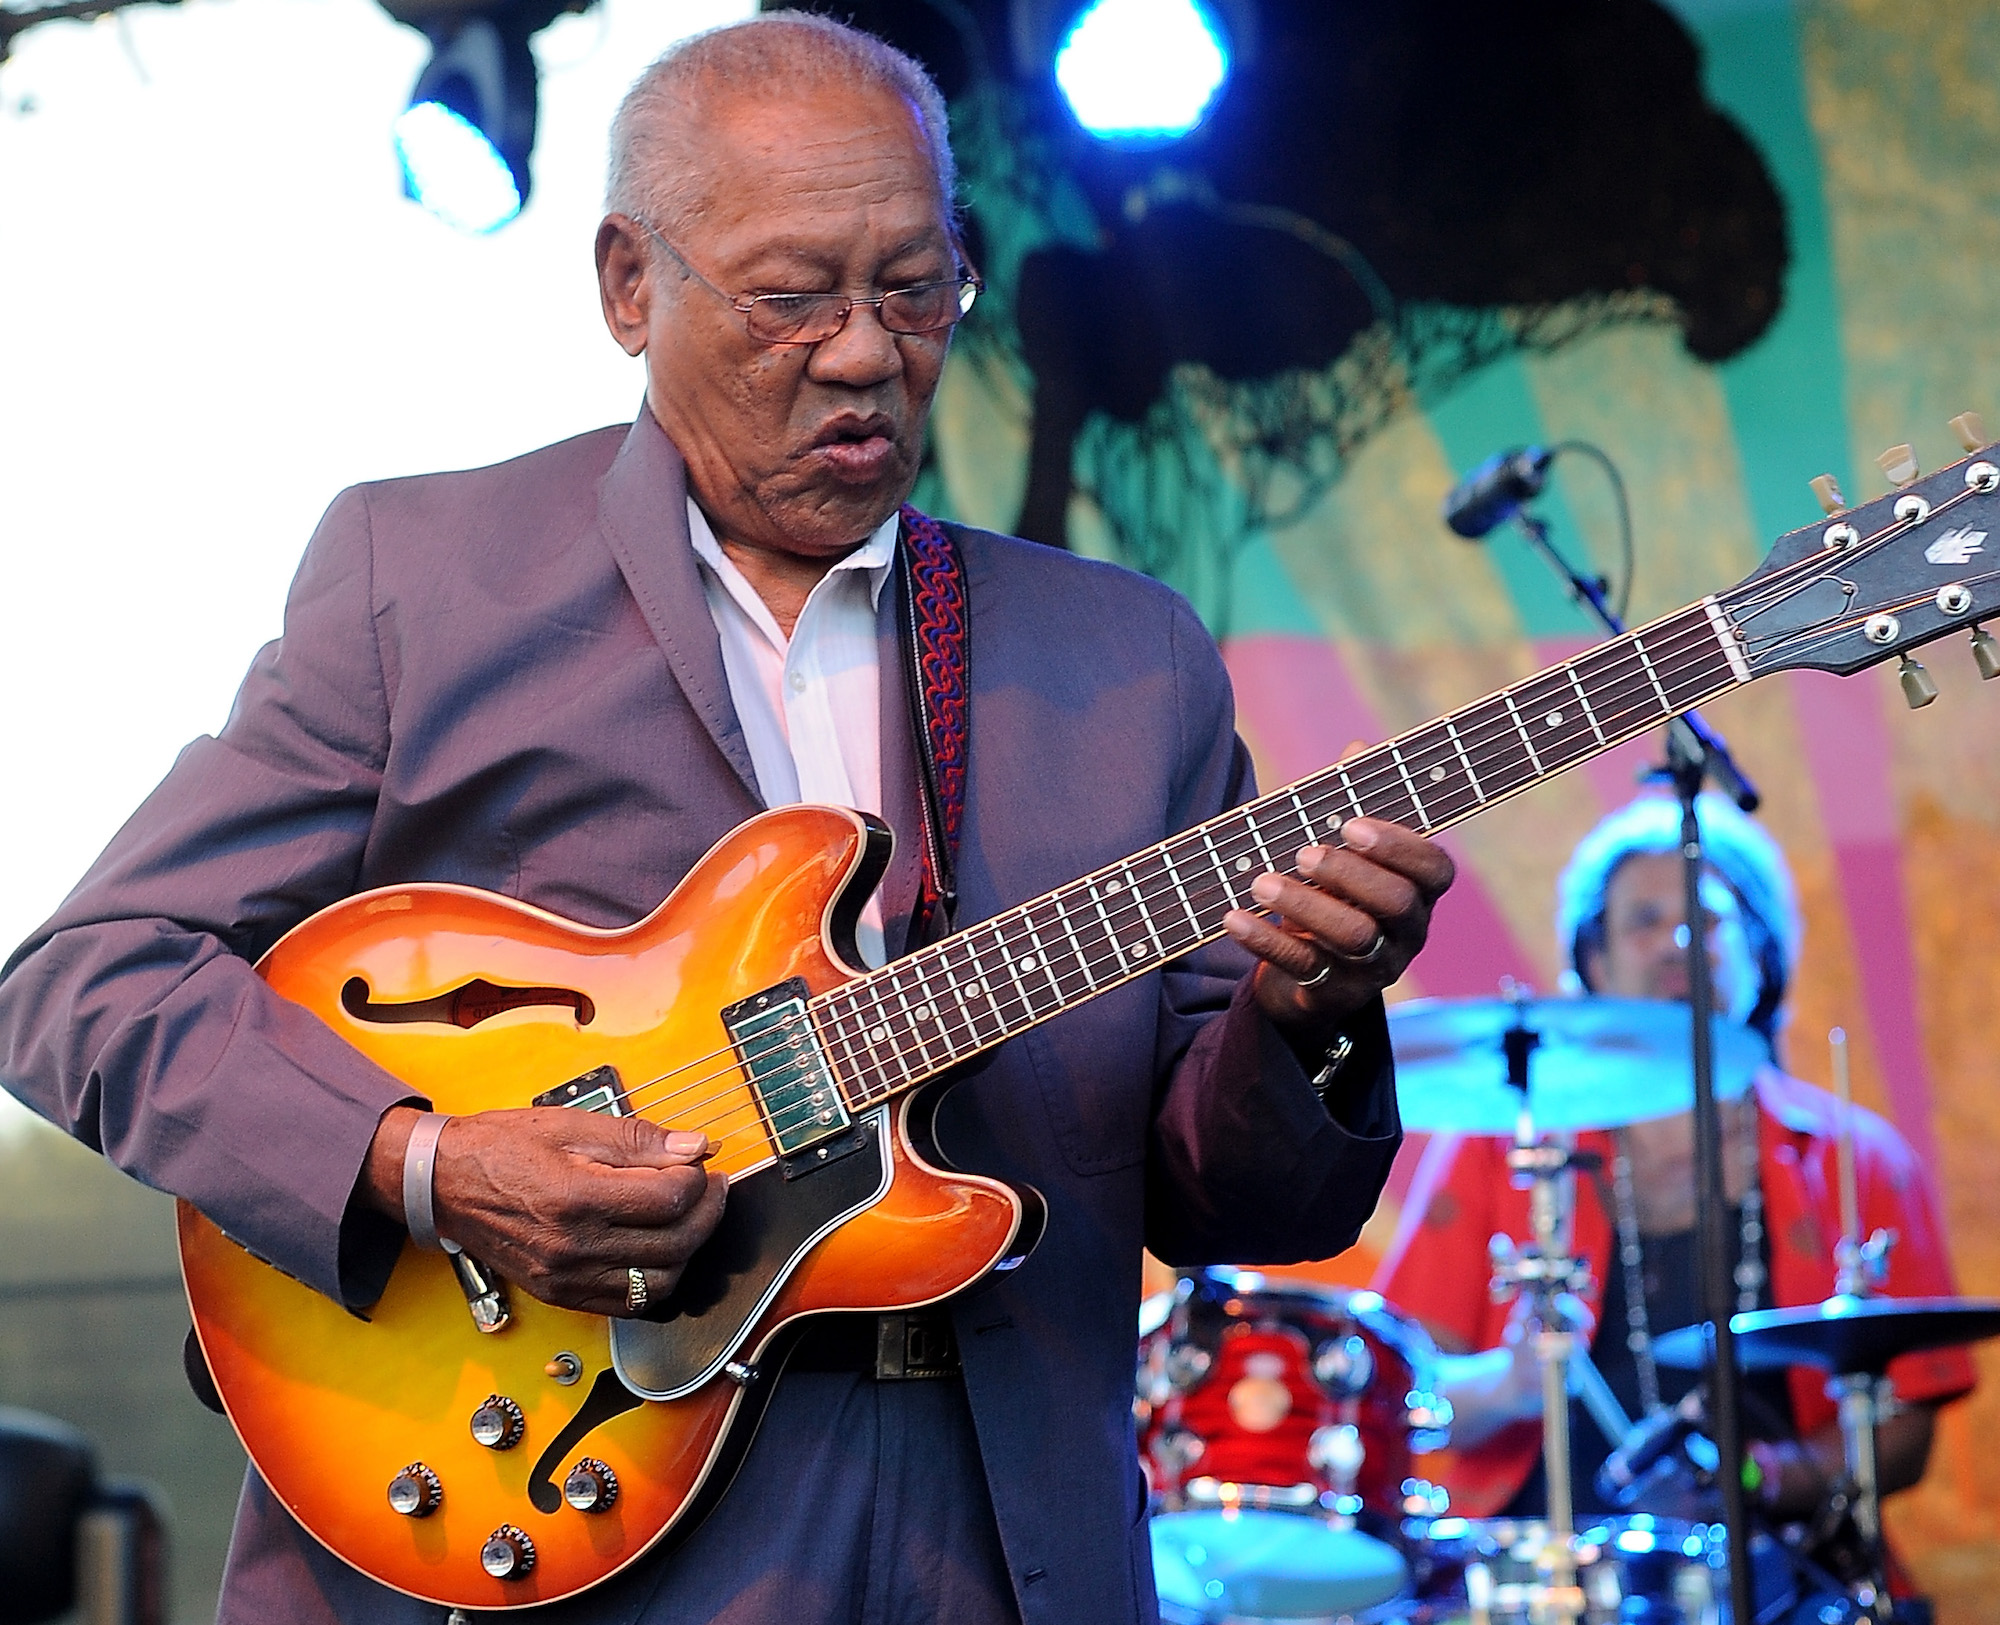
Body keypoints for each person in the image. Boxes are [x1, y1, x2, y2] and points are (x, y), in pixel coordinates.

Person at [0, 15, 1455, 1625]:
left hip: (997, 1530)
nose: (862, 351)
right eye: (792, 297)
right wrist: (427, 1163)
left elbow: (1241, 1203)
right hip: (557, 1493)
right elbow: (84, 979)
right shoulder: (420, 578)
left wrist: (1310, 1009)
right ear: (629, 284)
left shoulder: (1128, 659)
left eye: (917, 289)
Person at [1374, 793, 1972, 1529]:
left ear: (1761, 951)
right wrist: (1506, 1383)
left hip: (1778, 1575)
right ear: (1593, 959)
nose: (1676, 941)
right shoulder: (1502, 1142)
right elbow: (1389, 1390)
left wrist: (1760, 1477)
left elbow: (1907, 1424)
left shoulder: (1862, 1159)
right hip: (1540, 1573)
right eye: (1643, 920)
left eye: (1706, 915)